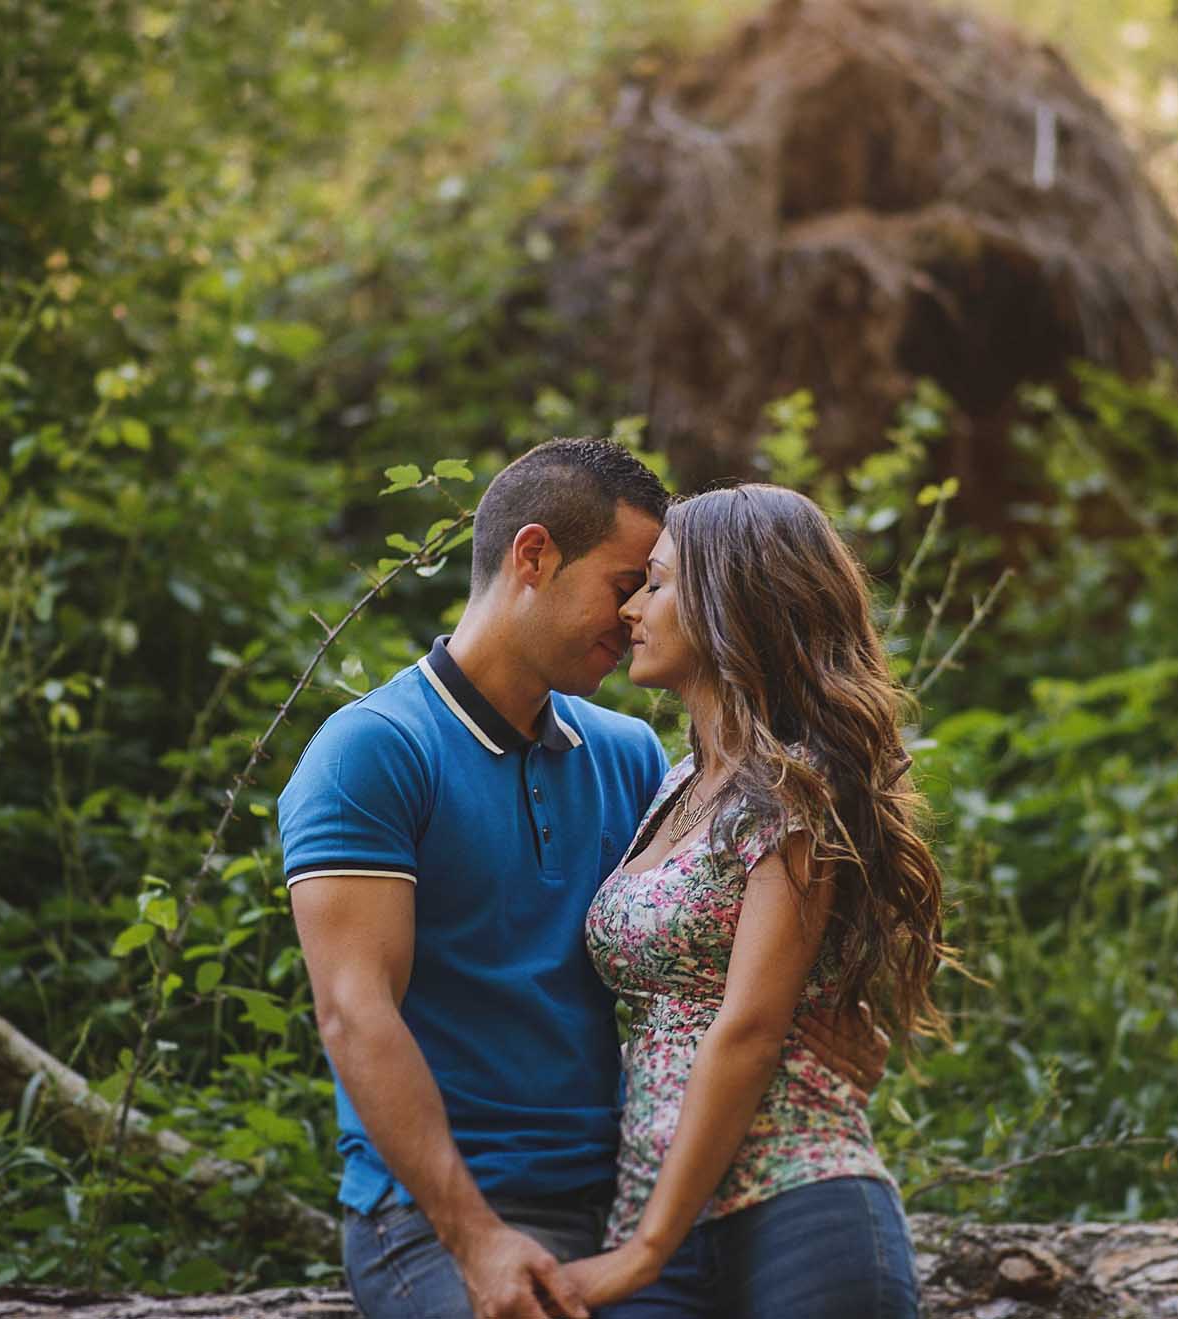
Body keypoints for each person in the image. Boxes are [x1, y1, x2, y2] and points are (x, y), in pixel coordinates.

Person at [278, 442, 881, 1319]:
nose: (637, 609)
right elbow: (353, 1012)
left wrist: (829, 1017)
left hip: (633, 1195)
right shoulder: (373, 752)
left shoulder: (634, 756)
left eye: (652, 585)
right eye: (624, 581)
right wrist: (475, 1236)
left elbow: (708, 948)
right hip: (449, 1214)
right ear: (534, 556)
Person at [560, 484, 954, 1317]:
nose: (632, 605)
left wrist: (644, 1251)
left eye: (657, 584)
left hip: (798, 1209)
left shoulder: (795, 785)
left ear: (727, 603)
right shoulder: (674, 785)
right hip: (651, 1215)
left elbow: (749, 1025)